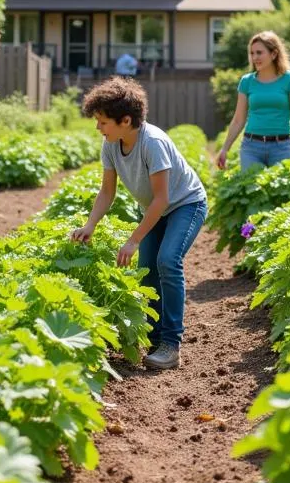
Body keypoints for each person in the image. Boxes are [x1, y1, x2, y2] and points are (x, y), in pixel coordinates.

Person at [69, 77, 207, 371]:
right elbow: (107, 191)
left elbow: (162, 199)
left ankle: (171, 344)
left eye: (103, 122)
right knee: (147, 271)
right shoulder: (111, 144)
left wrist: (133, 239)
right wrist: (89, 224)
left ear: (126, 120)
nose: (98, 128)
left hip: (186, 204)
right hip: (156, 209)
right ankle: (156, 342)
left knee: (168, 261)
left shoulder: (152, 143)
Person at [216, 31, 290, 170]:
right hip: (251, 148)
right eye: (252, 53)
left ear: (274, 54)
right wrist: (225, 149)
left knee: (282, 190)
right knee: (252, 190)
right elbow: (238, 119)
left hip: (283, 147)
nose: (255, 58)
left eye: (259, 53)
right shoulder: (246, 81)